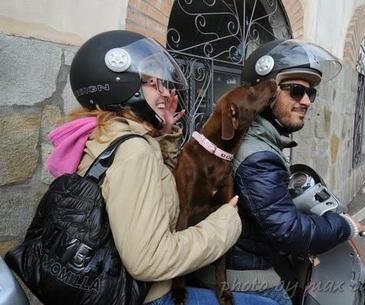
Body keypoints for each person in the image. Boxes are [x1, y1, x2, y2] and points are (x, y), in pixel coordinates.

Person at [46, 30, 278, 305]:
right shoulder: (134, 152)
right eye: (151, 83)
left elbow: (151, 187)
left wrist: (163, 132)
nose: (166, 92)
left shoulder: (104, 137)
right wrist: (225, 224)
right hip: (148, 296)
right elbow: (148, 261)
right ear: (121, 85)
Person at [192, 40, 365, 305]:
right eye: (296, 90)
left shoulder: (248, 136)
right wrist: (345, 226)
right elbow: (289, 231)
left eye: (311, 93)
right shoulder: (257, 155)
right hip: (244, 276)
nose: (306, 101)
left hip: (238, 261)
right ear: (264, 93)